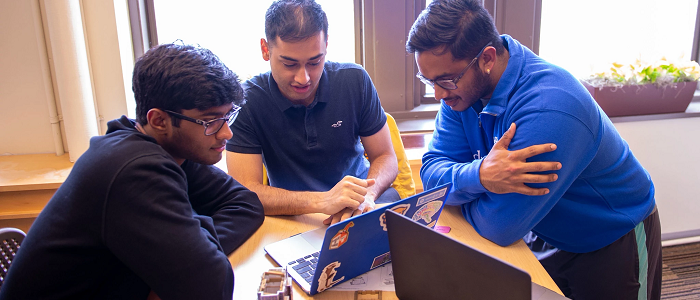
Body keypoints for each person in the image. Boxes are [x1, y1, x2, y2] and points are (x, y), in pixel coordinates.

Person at [406, 1, 661, 299]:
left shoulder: (550, 108)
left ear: (487, 58)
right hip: (543, 227)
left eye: (445, 80)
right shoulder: (460, 93)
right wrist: (481, 176)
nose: (437, 94)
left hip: (609, 235)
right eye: (427, 80)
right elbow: (431, 173)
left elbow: (499, 225)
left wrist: (458, 192)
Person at [0, 43, 265, 300]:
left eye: (228, 116)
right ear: (159, 120)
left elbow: (246, 205)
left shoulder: (169, 146)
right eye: (210, 121)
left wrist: (190, 254)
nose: (226, 132)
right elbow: (209, 288)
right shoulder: (134, 170)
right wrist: (188, 260)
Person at [226, 0, 399, 225]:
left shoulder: (354, 80)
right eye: (289, 64)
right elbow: (246, 191)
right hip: (292, 214)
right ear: (265, 49)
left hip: (358, 204)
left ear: (326, 44)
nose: (303, 78)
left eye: (315, 62)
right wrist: (323, 201)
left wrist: (367, 194)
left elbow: (386, 157)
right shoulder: (247, 100)